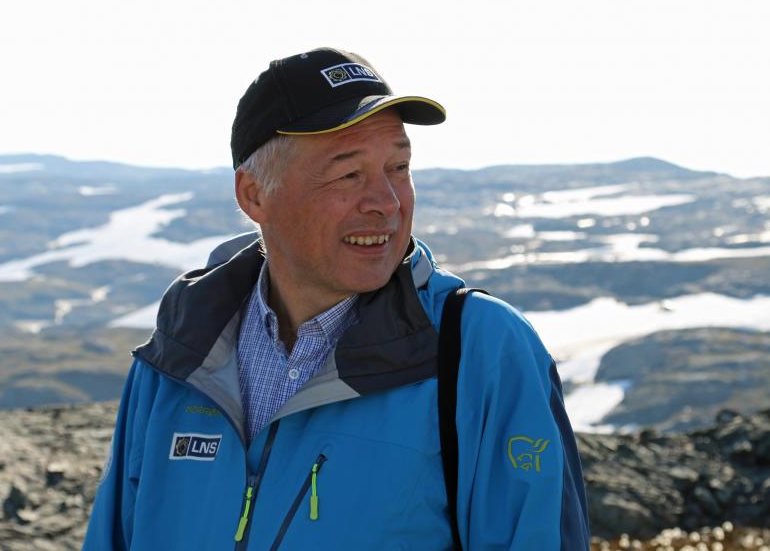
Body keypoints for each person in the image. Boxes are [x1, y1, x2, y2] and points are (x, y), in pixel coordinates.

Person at [81, 47, 591, 550]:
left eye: (398, 168)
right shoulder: (179, 354)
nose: (387, 203)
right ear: (254, 195)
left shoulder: (482, 348)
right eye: (349, 174)